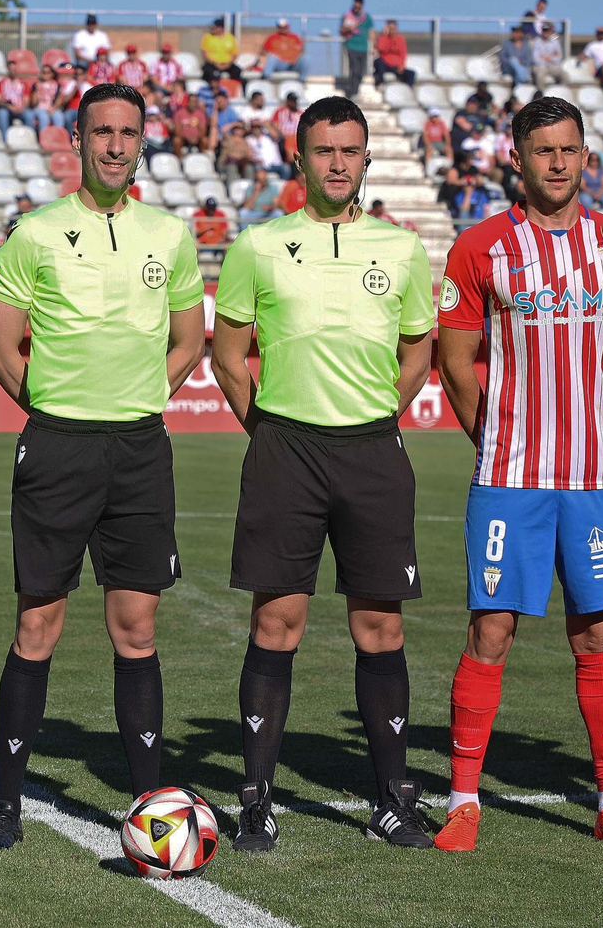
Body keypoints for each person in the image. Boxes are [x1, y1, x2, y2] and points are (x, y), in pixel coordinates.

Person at [0, 82, 205, 852]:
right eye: (100, 131)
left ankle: (149, 804)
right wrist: (56, 408)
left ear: (143, 142)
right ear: (77, 139)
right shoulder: (34, 234)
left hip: (138, 448)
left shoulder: (170, 235)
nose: (113, 144)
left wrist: (137, 398)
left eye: (127, 132)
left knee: (136, 627)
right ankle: (6, 803)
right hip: (59, 446)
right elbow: (1, 349)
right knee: (38, 622)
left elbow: (188, 342)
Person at [431, 96, 603, 853]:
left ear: (584, 156)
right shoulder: (481, 248)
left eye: (569, 150)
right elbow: (456, 360)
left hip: (594, 479)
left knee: (597, 634)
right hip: (509, 476)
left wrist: (593, 420)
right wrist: (496, 431)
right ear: (518, 159)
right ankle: (464, 801)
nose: (557, 163)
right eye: (543, 151)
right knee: (490, 630)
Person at [210, 95, 435, 852]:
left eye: (350, 150)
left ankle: (392, 798)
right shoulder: (258, 246)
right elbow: (228, 353)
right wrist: (270, 429)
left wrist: (374, 419)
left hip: (372, 451)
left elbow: (417, 355)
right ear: (299, 158)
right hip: (286, 453)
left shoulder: (402, 249)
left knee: (380, 626)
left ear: (366, 158)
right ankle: (256, 801)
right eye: (324, 151)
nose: (338, 163)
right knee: (277, 622)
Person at [339, 0, 372, 98]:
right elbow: (342, 31)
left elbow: (371, 32)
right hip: (352, 46)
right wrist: (350, 28)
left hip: (363, 47)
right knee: (354, 69)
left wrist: (373, 46)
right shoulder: (347, 16)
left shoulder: (367, 18)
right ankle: (353, 91)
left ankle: (354, 90)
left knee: (361, 71)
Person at [0, 58, 32, 133]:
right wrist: (9, 106)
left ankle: (29, 137)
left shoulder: (23, 84)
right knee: (2, 114)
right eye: (11, 69)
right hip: (7, 108)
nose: (13, 71)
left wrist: (22, 108)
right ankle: (4, 140)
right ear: (8, 70)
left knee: (29, 114)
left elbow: (26, 100)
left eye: (15, 69)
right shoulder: (0, 84)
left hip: (20, 109)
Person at [373, 20, 416, 86]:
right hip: (385, 65)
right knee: (378, 62)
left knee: (411, 74)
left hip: (396, 66)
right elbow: (380, 47)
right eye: (390, 28)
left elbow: (403, 54)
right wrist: (384, 34)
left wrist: (401, 66)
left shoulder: (401, 39)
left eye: (394, 28)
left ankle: (407, 90)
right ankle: (380, 84)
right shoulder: (383, 37)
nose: (392, 30)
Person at [200, 18, 241, 86]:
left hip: (227, 64)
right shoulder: (208, 37)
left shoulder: (230, 38)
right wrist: (215, 63)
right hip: (213, 64)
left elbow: (234, 54)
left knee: (237, 71)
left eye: (215, 27)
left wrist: (228, 64)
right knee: (207, 72)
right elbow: (205, 53)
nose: (213, 29)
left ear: (221, 28)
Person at [22, 63, 62, 131]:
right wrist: (37, 90)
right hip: (39, 108)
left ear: (52, 74)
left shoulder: (57, 85)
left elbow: (59, 99)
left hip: (52, 108)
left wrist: (53, 108)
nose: (45, 74)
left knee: (59, 116)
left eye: (48, 73)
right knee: (44, 117)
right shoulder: (37, 84)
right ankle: (43, 138)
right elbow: (33, 103)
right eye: (43, 72)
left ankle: (58, 136)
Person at [532, 22, 564, 88]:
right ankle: (542, 95)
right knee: (539, 76)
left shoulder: (555, 42)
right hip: (541, 66)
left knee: (564, 76)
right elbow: (535, 58)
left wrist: (548, 58)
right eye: (544, 30)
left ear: (550, 31)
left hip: (552, 66)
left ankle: (559, 94)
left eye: (547, 31)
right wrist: (551, 58)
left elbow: (559, 57)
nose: (546, 32)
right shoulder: (536, 42)